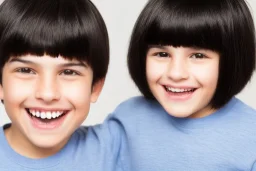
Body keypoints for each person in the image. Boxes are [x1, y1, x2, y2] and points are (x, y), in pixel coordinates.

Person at [108, 0, 256, 170]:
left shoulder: (252, 138)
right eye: (162, 54)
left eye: (198, 55)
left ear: (232, 60)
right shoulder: (127, 118)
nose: (176, 74)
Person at [0, 0, 124, 170]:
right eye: (25, 70)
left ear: (95, 87)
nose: (47, 94)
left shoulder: (114, 151)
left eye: (69, 72)